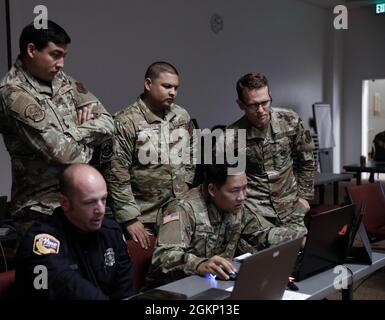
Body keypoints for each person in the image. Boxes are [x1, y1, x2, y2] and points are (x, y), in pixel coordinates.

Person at [0, 21, 114, 238]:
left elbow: (108, 122)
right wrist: (92, 144)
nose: (61, 64)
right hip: (41, 208)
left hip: (79, 202)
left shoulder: (62, 81)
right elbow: (64, 154)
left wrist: (76, 132)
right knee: (56, 271)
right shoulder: (13, 94)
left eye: (64, 56)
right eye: (55, 55)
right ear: (31, 50)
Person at [144, 163, 302, 289]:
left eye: (245, 188)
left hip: (215, 286)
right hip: (172, 292)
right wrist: (199, 264)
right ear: (212, 189)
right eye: (234, 190)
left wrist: (299, 238)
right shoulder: (182, 209)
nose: (241, 197)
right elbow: (163, 257)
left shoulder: (234, 206)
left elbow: (263, 233)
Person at [105, 61, 195, 250]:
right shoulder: (126, 121)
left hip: (177, 210)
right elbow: (117, 172)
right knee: (146, 271)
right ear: (148, 84)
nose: (173, 92)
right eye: (167, 86)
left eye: (176, 88)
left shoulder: (181, 116)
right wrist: (129, 218)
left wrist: (186, 181)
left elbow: (191, 151)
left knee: (177, 263)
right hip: (144, 216)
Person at [14, 164, 135, 300]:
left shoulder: (111, 232)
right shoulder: (41, 241)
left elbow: (125, 291)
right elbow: (65, 285)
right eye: (90, 202)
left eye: (103, 199)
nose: (100, 210)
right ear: (64, 202)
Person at [228, 73, 315, 234]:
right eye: (253, 105)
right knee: (266, 257)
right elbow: (226, 182)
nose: (261, 110)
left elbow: (307, 161)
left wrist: (304, 197)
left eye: (265, 102)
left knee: (300, 250)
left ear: (270, 96)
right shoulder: (231, 136)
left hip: (291, 208)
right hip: (256, 213)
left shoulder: (291, 120)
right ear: (241, 104)